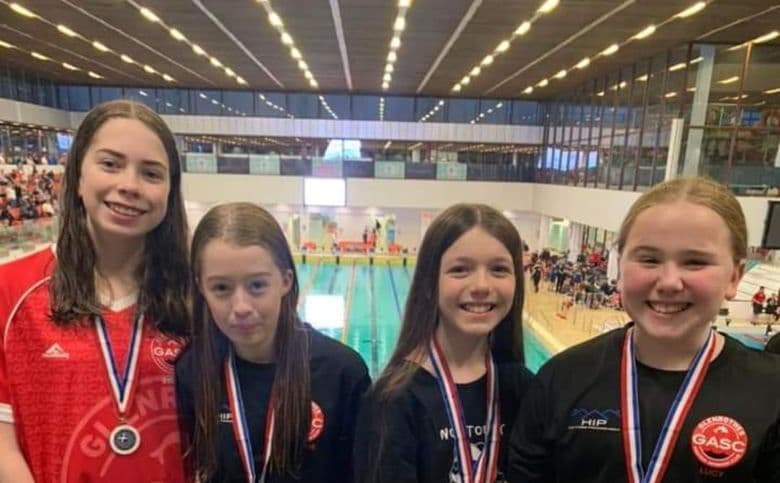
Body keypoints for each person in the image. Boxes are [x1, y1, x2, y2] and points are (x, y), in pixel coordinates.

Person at [507, 177, 780, 482]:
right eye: (649, 259)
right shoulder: (560, 379)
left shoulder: (772, 392)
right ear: (621, 267)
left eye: (694, 262)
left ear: (734, 277)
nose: (668, 281)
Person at [0, 100, 191, 482]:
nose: (129, 185)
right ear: (77, 176)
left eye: (151, 174)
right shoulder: (11, 290)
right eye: (110, 164)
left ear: (170, 191)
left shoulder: (194, 296)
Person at [175, 202, 370, 483]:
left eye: (257, 286)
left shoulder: (341, 372)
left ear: (285, 280)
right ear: (201, 288)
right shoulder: (193, 372)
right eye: (221, 288)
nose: (241, 306)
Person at [354, 203, 534, 483]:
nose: (482, 285)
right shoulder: (393, 399)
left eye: (499, 269)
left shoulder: (523, 387)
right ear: (428, 283)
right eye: (460, 269)